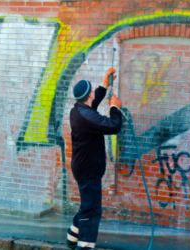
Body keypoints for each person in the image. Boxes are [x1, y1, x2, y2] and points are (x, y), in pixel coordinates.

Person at [66, 68, 123, 250]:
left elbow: (94, 101)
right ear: (88, 94)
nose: (94, 94)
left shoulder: (79, 110)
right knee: (91, 211)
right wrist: (115, 107)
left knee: (87, 204)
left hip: (84, 167)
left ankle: (71, 239)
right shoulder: (87, 116)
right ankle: (85, 247)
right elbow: (114, 126)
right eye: (93, 91)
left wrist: (104, 84)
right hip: (88, 171)